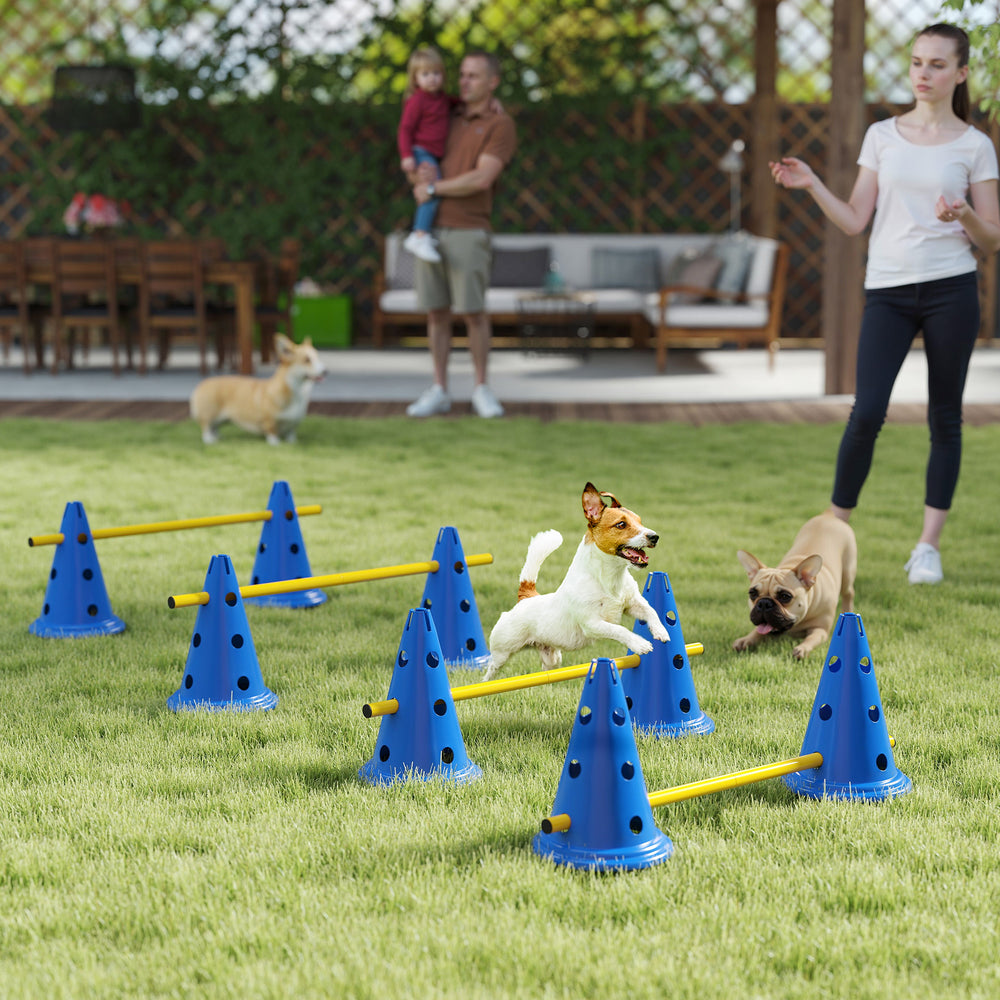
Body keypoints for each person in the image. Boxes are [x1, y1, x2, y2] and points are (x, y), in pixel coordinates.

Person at [770, 22, 1000, 584]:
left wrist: (962, 214)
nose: (924, 73)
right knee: (866, 411)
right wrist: (813, 185)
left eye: (938, 64)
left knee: (944, 418)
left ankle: (927, 548)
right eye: (918, 62)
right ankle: (831, 534)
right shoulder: (883, 135)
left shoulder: (975, 145)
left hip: (951, 289)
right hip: (889, 292)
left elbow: (992, 237)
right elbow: (854, 221)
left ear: (961, 73)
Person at [404, 50, 517, 419]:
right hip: (430, 232)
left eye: (474, 76)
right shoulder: (442, 112)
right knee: (436, 315)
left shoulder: (500, 125)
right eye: (463, 75)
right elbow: (415, 151)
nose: (464, 82)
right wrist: (417, 177)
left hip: (470, 230)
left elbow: (482, 178)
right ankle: (439, 389)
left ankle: (482, 390)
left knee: (473, 313)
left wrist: (435, 189)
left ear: (492, 82)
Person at [397, 47, 457, 264]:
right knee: (432, 190)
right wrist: (406, 155)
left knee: (433, 189)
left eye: (436, 73)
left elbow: (460, 104)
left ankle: (420, 233)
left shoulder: (442, 99)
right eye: (425, 74)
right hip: (422, 151)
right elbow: (405, 129)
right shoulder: (417, 101)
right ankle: (419, 235)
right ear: (415, 79)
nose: (431, 79)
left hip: (434, 152)